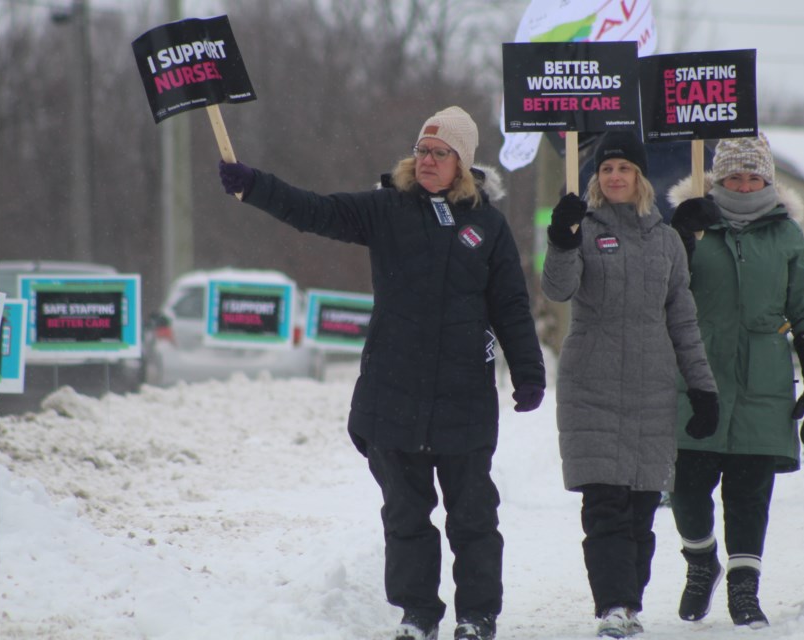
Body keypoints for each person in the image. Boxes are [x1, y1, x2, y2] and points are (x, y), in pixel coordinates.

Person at [218, 106, 545, 640]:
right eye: (421, 150)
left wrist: (528, 372)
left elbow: (510, 303)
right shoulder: (386, 208)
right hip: (394, 392)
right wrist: (255, 186)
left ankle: (477, 615)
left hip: (464, 394)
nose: (427, 160)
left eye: (440, 153)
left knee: (473, 517)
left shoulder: (487, 224)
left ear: (462, 163)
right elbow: (314, 211)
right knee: (405, 515)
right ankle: (418, 614)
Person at [542, 131, 718, 639]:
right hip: (590, 385)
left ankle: (630, 604)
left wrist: (702, 388)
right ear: (596, 177)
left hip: (651, 388)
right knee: (604, 505)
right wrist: (562, 238)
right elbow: (558, 287)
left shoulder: (664, 240)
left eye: (624, 168)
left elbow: (683, 322)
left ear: (640, 177)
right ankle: (613, 607)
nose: (614, 176)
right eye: (606, 168)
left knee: (640, 509)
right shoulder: (582, 226)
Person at [668, 133, 804, 628]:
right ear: (717, 180)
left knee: (749, 492)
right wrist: (678, 237)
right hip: (695, 374)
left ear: (768, 179)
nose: (744, 186)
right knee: (685, 484)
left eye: (753, 176)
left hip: (763, 378)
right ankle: (701, 564)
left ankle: (744, 588)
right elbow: (662, 289)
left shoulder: (787, 235)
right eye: (733, 177)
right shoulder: (695, 226)